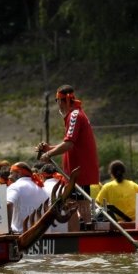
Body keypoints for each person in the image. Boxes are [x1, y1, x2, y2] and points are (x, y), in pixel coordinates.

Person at [37, 84, 99, 229]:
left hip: (76, 171)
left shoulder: (74, 116)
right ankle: (87, 232)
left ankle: (75, 239)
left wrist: (48, 154)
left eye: (56, 100)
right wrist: (49, 148)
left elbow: (69, 144)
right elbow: (70, 144)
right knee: (81, 203)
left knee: (70, 204)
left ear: (62, 100)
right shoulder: (76, 114)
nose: (57, 104)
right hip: (79, 170)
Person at [7, 162, 49, 233]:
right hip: (41, 236)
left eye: (11, 173)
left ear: (19, 173)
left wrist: (8, 229)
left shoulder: (15, 186)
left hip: (21, 237)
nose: (9, 177)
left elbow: (8, 204)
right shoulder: (42, 188)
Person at [39, 163, 67, 232]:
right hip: (65, 229)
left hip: (47, 230)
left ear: (43, 174)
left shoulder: (41, 188)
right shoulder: (65, 188)